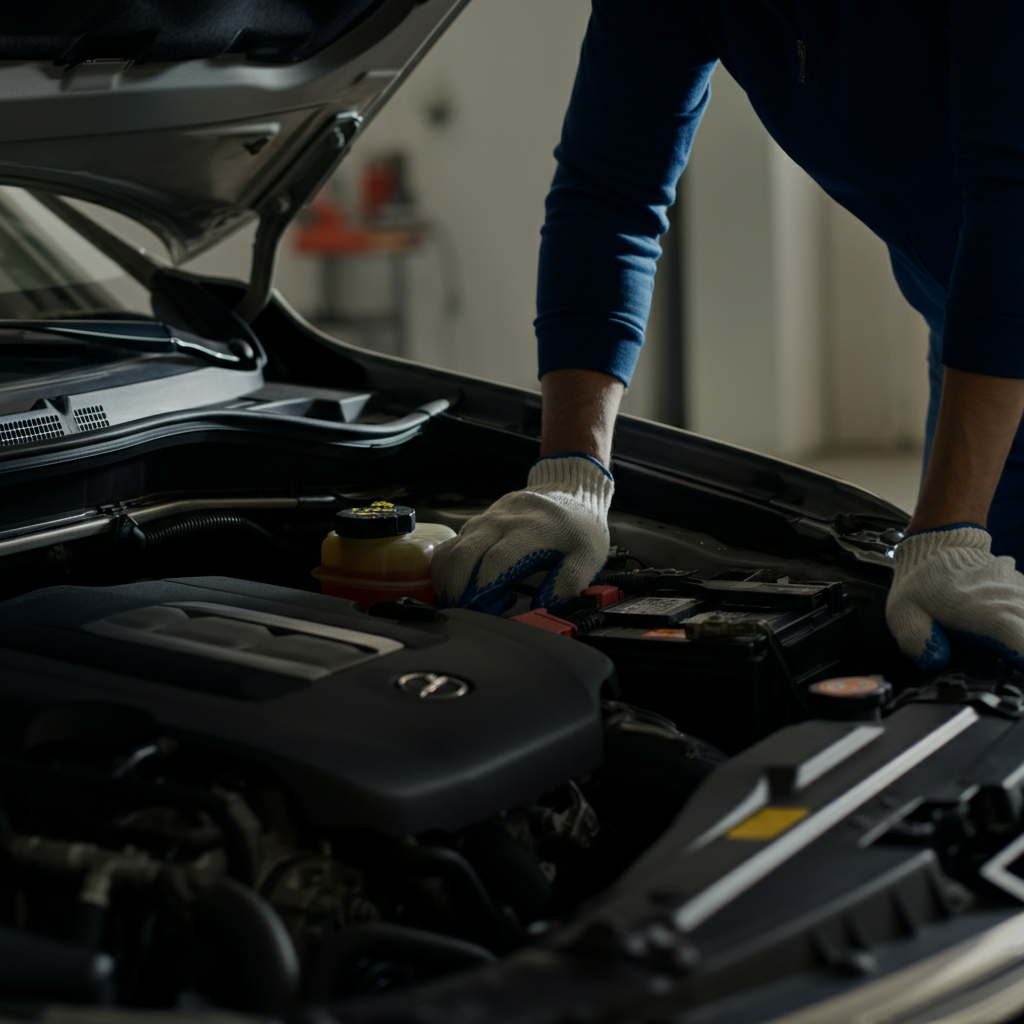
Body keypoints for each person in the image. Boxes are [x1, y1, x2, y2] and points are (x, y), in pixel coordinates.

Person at [432, 0, 1024, 674]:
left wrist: (948, 531)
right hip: (977, 342)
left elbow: (1013, 204)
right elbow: (609, 193)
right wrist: (571, 477)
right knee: (980, 671)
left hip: (996, 320)